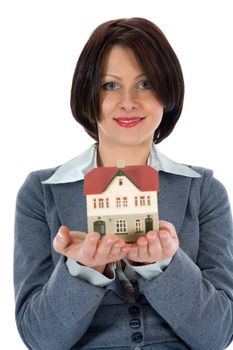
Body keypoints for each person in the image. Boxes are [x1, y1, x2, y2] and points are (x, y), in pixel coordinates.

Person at [14, 17, 233, 350]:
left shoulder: (203, 191)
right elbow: (40, 338)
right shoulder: (42, 192)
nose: (128, 101)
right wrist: (82, 270)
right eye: (110, 85)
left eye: (145, 84)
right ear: (88, 93)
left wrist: (165, 266)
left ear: (167, 93)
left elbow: (216, 336)